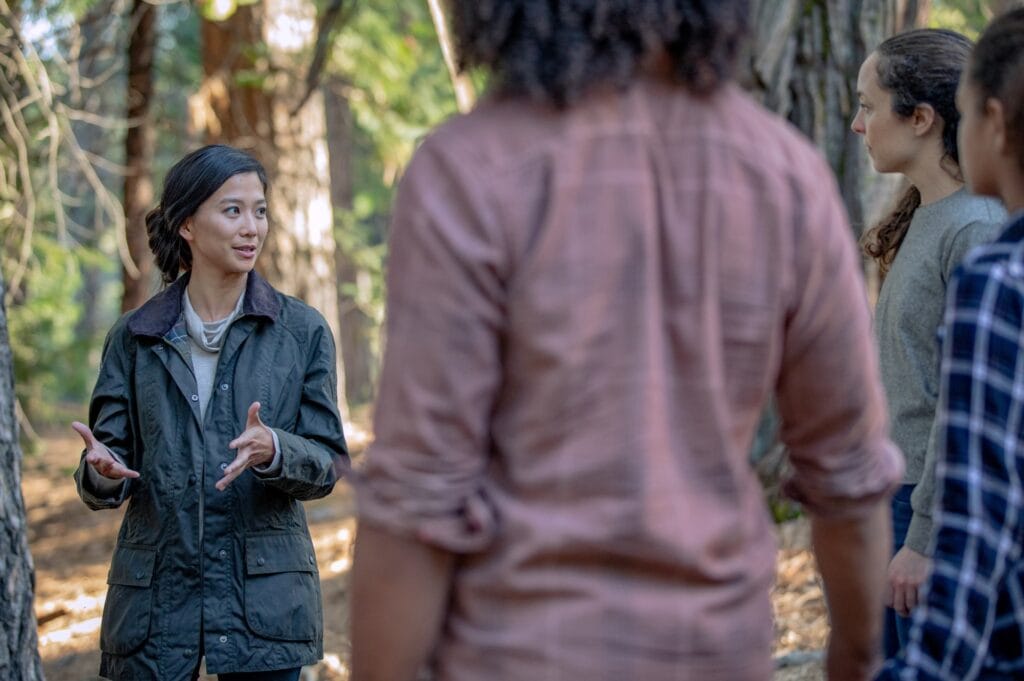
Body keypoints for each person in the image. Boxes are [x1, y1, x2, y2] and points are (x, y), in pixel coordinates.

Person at [350, 2, 903, 680]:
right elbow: (848, 475)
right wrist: (856, 657)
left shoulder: (469, 170)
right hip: (716, 652)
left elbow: (416, 501)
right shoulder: (784, 175)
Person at [72, 144, 348, 681]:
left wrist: (277, 449)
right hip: (154, 603)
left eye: (260, 210)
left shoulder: (302, 332)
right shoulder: (133, 338)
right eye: (233, 210)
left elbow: (328, 462)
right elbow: (108, 465)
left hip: (263, 602)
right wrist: (100, 473)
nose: (252, 227)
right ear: (188, 226)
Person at [877, 9, 1024, 680]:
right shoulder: (924, 219)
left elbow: (967, 423)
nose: (856, 124)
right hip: (897, 492)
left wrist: (923, 535)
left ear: (922, 118)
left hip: (926, 505)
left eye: (865, 106)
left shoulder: (978, 235)